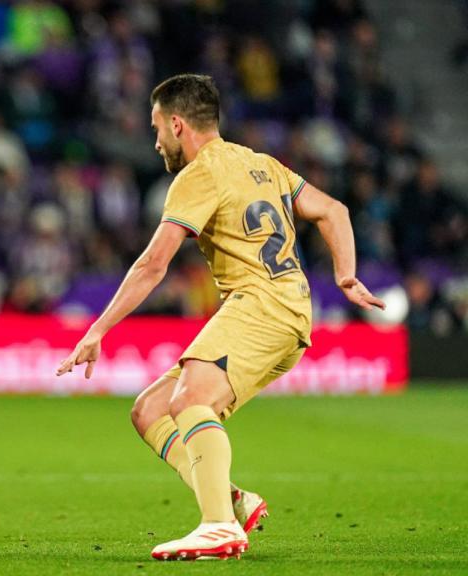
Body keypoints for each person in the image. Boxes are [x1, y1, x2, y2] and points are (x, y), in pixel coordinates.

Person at [56, 74, 383, 561]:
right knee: (150, 410)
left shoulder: (198, 174)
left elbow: (153, 264)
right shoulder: (260, 163)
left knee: (191, 398)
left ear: (177, 123)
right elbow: (333, 210)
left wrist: (98, 329)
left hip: (261, 304)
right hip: (288, 308)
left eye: (157, 129)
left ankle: (217, 526)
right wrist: (346, 276)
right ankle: (230, 500)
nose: (156, 141)